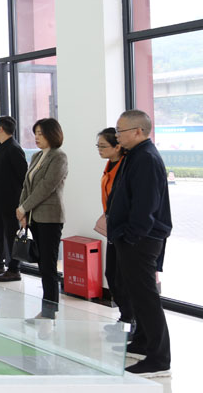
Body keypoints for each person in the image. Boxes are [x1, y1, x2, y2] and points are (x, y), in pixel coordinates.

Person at [108, 110, 172, 378]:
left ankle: (159, 359)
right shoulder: (135, 155)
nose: (117, 135)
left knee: (146, 298)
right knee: (136, 293)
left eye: (120, 131)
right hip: (132, 237)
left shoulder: (146, 158)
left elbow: (146, 205)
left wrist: (132, 236)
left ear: (138, 131)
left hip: (141, 239)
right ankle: (144, 342)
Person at [16, 118, 68, 321]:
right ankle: (47, 310)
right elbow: (27, 186)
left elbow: (46, 187)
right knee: (43, 265)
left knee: (48, 266)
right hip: (34, 216)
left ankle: (49, 311)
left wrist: (24, 207)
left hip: (50, 217)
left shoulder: (59, 157)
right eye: (36, 133)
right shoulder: (37, 156)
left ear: (52, 134)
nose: (37, 137)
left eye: (41, 133)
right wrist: (22, 211)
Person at [96, 127, 134, 335]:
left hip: (124, 230)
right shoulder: (110, 165)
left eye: (103, 146)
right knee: (112, 274)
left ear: (117, 146)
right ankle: (125, 317)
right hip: (113, 227)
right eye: (98, 146)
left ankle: (131, 320)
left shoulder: (126, 166)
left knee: (123, 277)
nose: (99, 150)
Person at [0, 116, 28, 282]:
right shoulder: (2, 146)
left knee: (11, 235)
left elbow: (23, 177)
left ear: (1, 129)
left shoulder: (14, 148)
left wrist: (21, 204)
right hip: (0, 201)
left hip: (11, 202)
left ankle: (14, 269)